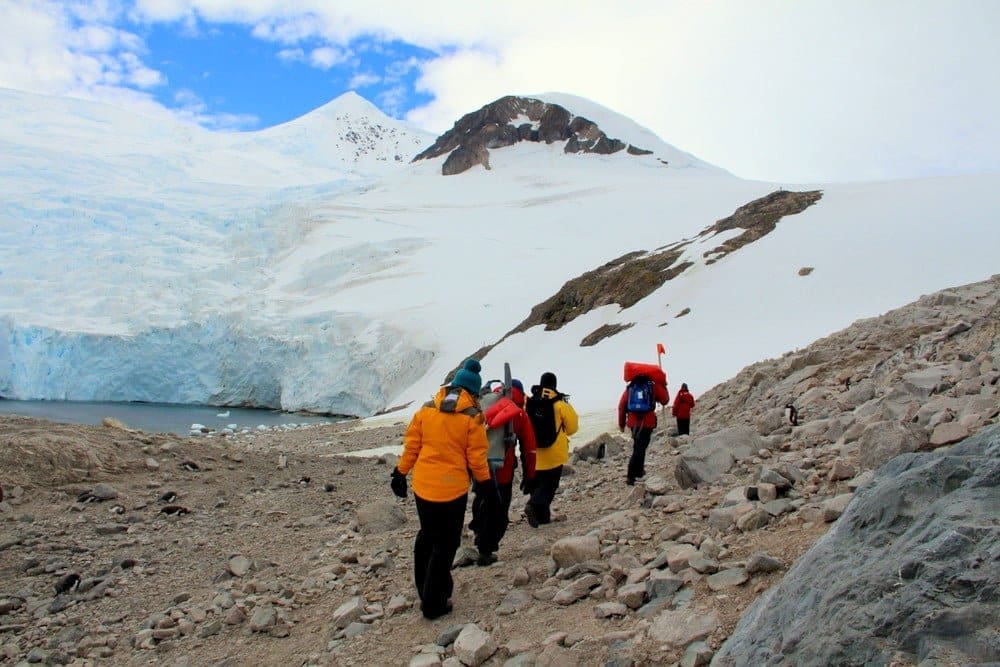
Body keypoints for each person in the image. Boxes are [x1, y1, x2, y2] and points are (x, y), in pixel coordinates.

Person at [390, 358, 494, 620]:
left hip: (423, 486)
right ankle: (434, 603)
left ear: (452, 386)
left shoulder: (426, 410)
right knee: (445, 544)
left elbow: (412, 445)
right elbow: (477, 458)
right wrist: (485, 484)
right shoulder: (472, 418)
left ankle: (425, 589)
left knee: (426, 535)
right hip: (452, 490)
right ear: (472, 391)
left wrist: (400, 473)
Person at [469, 379, 537, 565]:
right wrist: (530, 476)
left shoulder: (483, 404)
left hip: (479, 467)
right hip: (502, 472)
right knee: (498, 510)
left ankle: (478, 529)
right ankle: (486, 549)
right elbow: (529, 449)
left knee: (482, 498)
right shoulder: (518, 414)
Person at [524, 372, 578, 526]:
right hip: (554, 453)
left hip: (535, 453)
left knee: (538, 485)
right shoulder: (559, 404)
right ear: (554, 385)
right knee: (549, 486)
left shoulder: (531, 402)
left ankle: (543, 519)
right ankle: (533, 506)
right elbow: (573, 428)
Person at [618, 374, 670, 485]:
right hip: (647, 422)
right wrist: (663, 386)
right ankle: (631, 476)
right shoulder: (653, 386)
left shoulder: (631, 388)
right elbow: (665, 400)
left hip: (633, 422)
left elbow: (622, 406)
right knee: (640, 448)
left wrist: (621, 424)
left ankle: (638, 472)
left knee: (638, 446)